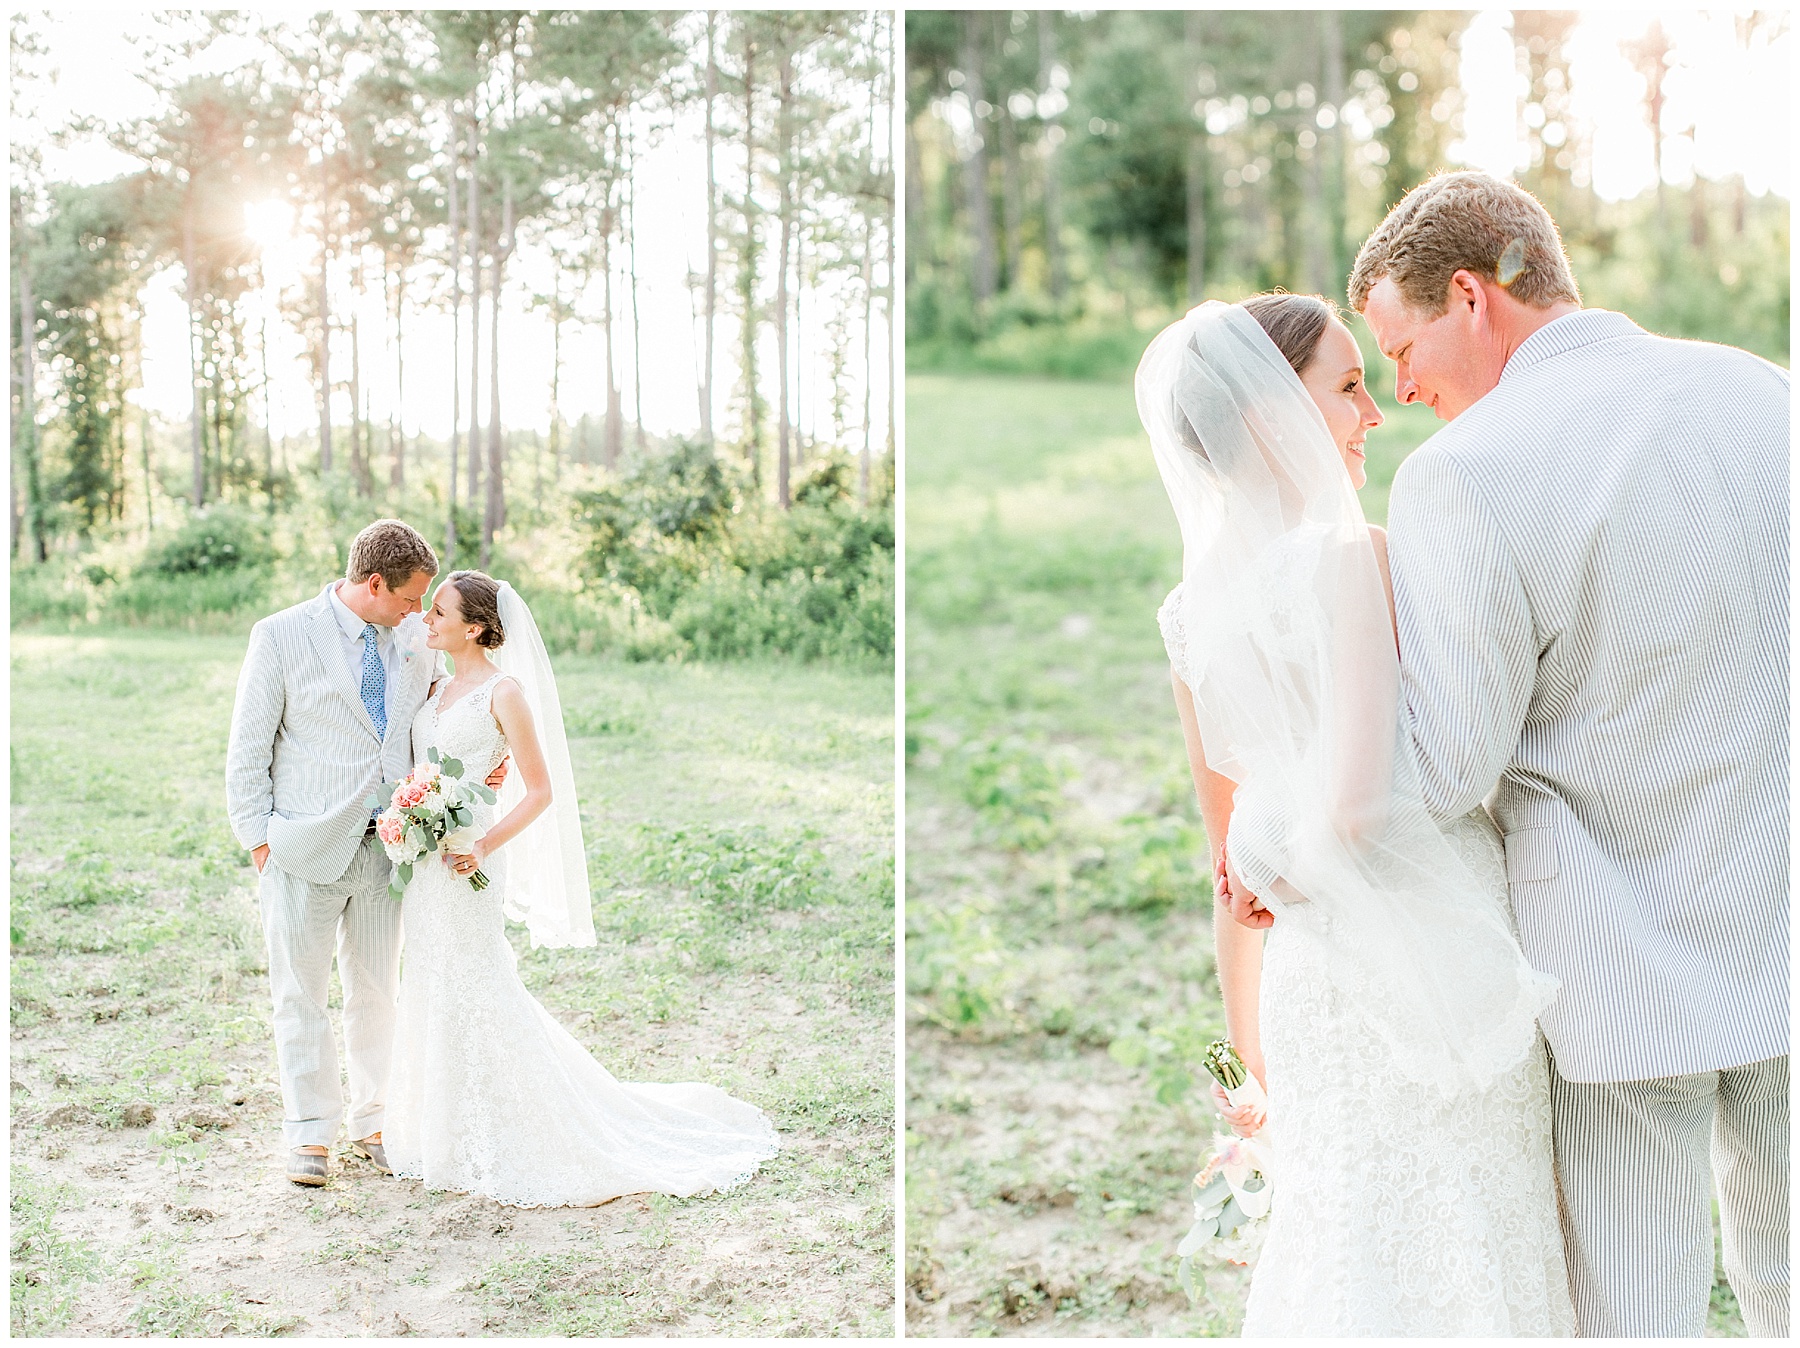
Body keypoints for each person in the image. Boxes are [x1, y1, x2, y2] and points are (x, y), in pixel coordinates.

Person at [1328, 170, 1784, 1337]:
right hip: (1788, 925)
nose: (1402, 385)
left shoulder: (1464, 476)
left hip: (1622, 964)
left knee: (1641, 1312)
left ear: (1472, 294)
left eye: (1403, 345)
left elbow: (1449, 767)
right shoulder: (1766, 395)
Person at [1144, 293, 1573, 1334]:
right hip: (1428, 959)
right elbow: (1360, 806)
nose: (1374, 413)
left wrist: (1241, 1070)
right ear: (1266, 415)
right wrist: (1282, 871)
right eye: (1347, 387)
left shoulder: (1188, 612)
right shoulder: (1353, 556)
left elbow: (1228, 878)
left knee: (1339, 1236)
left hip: (1302, 986)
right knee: (1471, 1228)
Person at [381, 570, 779, 1205]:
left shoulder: (503, 693)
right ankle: (446, 1128)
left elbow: (539, 791)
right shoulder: (434, 688)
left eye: (440, 612)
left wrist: (481, 842)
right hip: (427, 862)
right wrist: (410, 816)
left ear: (476, 627)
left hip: (470, 858)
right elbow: (421, 766)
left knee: (478, 976)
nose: (427, 619)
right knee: (431, 976)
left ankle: (518, 1125)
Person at [226, 519, 462, 1186]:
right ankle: (309, 1135)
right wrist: (260, 841)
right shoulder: (281, 635)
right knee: (300, 996)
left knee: (376, 995)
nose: (419, 612)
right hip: (301, 848)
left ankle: (373, 1121)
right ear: (374, 583)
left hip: (388, 850)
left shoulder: (418, 640)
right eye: (410, 597)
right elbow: (248, 748)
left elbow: (436, 719)